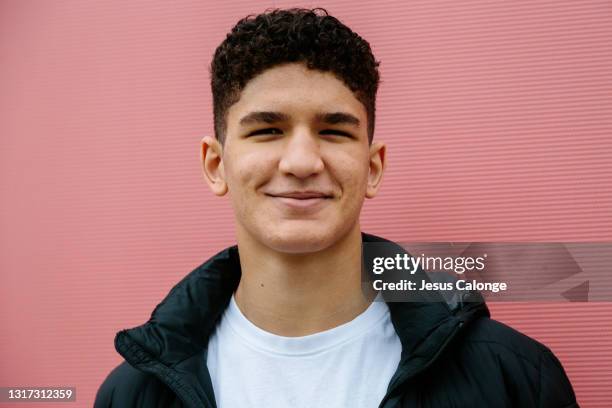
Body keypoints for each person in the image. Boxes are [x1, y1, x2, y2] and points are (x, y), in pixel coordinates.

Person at [95, 8, 578, 408]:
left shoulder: (515, 378)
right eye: (267, 130)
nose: (302, 161)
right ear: (216, 164)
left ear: (373, 167)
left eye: (334, 131)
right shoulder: (132, 394)